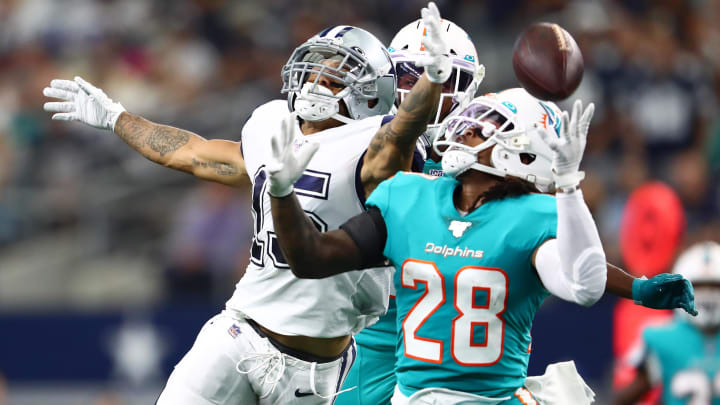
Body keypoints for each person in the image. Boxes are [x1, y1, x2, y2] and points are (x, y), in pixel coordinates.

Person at [42, 3, 454, 403]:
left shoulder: (372, 144)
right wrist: (117, 117)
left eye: (332, 79)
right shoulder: (273, 125)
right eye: (313, 70)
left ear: (369, 95)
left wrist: (432, 80)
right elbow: (192, 153)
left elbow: (402, 133)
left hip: (315, 369)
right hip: (238, 333)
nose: (314, 83)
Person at [266, 87, 696, 404]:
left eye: (485, 127)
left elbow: (582, 285)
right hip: (408, 396)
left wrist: (568, 188)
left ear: (522, 153)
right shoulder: (411, 197)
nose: (466, 130)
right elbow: (310, 258)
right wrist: (282, 193)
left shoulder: (532, 217)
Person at [335, 17, 485, 405]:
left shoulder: (488, 159)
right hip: (368, 329)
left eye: (446, 77)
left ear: (472, 85)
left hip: (454, 337)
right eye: (411, 74)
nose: (429, 88)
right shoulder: (358, 140)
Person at [615, 241, 720, 405]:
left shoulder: (659, 334)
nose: (708, 294)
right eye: (699, 286)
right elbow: (629, 395)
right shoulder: (659, 337)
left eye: (715, 287)